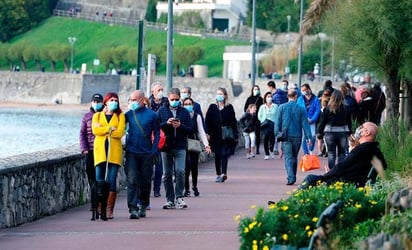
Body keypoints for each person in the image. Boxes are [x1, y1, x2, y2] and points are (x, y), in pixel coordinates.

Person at [299, 122, 387, 189]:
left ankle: (291, 204)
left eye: (362, 127)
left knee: (310, 179)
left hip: (345, 183)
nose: (358, 128)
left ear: (366, 133)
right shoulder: (375, 150)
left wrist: (325, 176)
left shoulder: (361, 150)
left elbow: (342, 167)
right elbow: (383, 165)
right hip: (355, 182)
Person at [124, 90, 160, 219]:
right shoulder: (127, 115)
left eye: (134, 100)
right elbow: (118, 127)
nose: (132, 102)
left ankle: (143, 205)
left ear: (141, 99)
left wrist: (154, 149)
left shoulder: (152, 115)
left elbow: (157, 133)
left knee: (145, 182)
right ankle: (133, 209)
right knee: (132, 180)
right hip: (132, 152)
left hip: (146, 153)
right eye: (131, 100)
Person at [157, 88, 193, 209]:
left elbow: (191, 129)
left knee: (180, 171)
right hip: (166, 147)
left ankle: (179, 197)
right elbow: (157, 127)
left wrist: (180, 126)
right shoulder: (162, 110)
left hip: (180, 146)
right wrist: (166, 123)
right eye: (172, 99)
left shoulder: (184, 112)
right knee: (167, 173)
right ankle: (170, 199)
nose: (174, 101)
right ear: (168, 98)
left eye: (177, 99)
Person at [92, 92, 126, 219]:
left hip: (114, 152)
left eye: (116, 100)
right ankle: (99, 207)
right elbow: (95, 130)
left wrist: (104, 129)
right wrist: (109, 129)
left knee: (111, 180)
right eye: (111, 100)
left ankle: (109, 208)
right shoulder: (97, 115)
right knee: (99, 179)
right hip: (100, 152)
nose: (114, 102)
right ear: (106, 102)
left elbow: (120, 132)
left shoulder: (120, 116)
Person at [275, 89, 312, 185]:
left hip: (285, 136)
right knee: (294, 156)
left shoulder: (281, 107)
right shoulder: (301, 109)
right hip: (297, 136)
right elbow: (305, 124)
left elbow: (277, 122)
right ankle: (293, 176)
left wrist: (277, 135)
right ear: (296, 96)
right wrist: (309, 138)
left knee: (288, 157)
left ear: (288, 96)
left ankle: (291, 177)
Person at [205, 87, 238, 183]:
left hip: (226, 135)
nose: (219, 96)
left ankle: (224, 173)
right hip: (215, 136)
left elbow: (233, 121)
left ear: (225, 96)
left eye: (221, 94)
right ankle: (218, 173)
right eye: (217, 94)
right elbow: (207, 121)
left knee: (224, 153)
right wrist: (207, 133)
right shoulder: (212, 107)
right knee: (217, 154)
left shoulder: (229, 107)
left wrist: (235, 134)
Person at [182, 97, 211, 197]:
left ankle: (194, 186)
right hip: (183, 142)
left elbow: (201, 131)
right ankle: (186, 188)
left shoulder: (196, 116)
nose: (188, 106)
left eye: (189, 104)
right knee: (185, 167)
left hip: (194, 141)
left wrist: (206, 145)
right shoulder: (181, 116)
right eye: (185, 104)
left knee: (194, 166)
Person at [317, 90, 352, 171]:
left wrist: (320, 133)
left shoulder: (328, 109)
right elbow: (349, 122)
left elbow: (323, 122)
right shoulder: (346, 108)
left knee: (331, 154)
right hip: (343, 132)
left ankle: (332, 172)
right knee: (342, 153)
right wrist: (350, 132)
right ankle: (340, 171)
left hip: (329, 133)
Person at [79, 93, 104, 207]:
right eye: (94, 101)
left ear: (103, 103)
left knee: (101, 177)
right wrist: (84, 148)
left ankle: (100, 201)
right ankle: (94, 201)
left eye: (98, 102)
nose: (96, 103)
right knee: (91, 177)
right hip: (90, 150)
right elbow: (82, 133)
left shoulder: (105, 115)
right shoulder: (86, 117)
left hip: (102, 151)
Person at [148, 82, 169, 198]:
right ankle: (147, 187)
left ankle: (157, 189)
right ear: (153, 92)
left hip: (161, 137)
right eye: (158, 90)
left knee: (159, 165)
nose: (160, 92)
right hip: (148, 137)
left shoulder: (166, 102)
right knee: (148, 165)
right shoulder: (147, 103)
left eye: (162, 89)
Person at [297, 83, 321, 155]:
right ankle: (306, 153)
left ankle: (311, 149)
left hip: (311, 121)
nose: (303, 91)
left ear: (308, 89)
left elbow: (317, 110)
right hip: (303, 121)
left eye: (304, 90)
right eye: (302, 90)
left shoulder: (315, 99)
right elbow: (298, 109)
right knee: (304, 137)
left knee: (313, 136)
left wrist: (312, 119)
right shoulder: (300, 99)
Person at [243, 85, 264, 154]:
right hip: (250, 119)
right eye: (255, 89)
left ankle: (257, 148)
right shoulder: (249, 99)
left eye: (257, 89)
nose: (256, 90)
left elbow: (262, 108)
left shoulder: (260, 99)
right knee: (249, 134)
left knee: (257, 134)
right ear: (252, 90)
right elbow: (245, 108)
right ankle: (249, 148)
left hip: (257, 119)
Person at [258, 92, 278, 160]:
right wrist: (262, 121)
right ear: (265, 98)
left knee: (272, 139)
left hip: (273, 124)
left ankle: (271, 150)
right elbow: (259, 115)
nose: (269, 98)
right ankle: (267, 154)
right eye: (268, 97)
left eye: (270, 96)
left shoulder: (275, 106)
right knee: (265, 139)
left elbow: (278, 115)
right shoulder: (262, 106)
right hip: (265, 124)